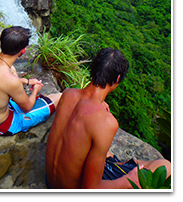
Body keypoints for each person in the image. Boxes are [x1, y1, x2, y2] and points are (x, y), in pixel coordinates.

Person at [45, 47, 171, 189]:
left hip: (50, 181)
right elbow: (91, 190)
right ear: (117, 78)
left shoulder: (68, 94)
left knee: (99, 145)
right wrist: (126, 181)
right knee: (166, 166)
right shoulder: (106, 122)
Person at [0, 26, 62, 136]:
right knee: (60, 97)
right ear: (23, 51)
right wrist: (35, 90)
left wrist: (26, 81)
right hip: (2, 126)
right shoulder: (11, 81)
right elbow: (27, 107)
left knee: (11, 69)